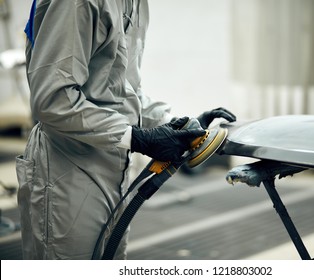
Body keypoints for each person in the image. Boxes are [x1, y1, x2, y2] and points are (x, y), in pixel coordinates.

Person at [16, 0, 236, 260]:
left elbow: (121, 89)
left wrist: (175, 123)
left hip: (115, 161)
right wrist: (138, 138)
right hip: (68, 166)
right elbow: (53, 100)